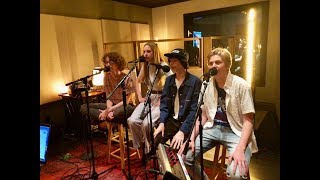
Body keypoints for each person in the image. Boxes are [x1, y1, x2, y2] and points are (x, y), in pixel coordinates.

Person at [184, 47, 258, 180]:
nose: (213, 66)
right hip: (213, 127)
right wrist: (191, 138)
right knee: (185, 157)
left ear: (228, 65)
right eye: (211, 63)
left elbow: (248, 121)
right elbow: (203, 116)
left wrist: (240, 149)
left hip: (236, 131)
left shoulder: (242, 86)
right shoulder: (207, 84)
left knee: (236, 175)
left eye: (218, 62)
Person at [153, 48, 202, 154]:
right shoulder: (169, 80)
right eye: (170, 61)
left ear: (183, 62)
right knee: (155, 141)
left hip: (186, 122)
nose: (171, 63)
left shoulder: (195, 82)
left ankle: (174, 169)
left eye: (174, 60)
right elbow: (164, 104)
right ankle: (162, 168)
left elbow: (194, 111)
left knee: (176, 150)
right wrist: (162, 123)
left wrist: (182, 131)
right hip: (171, 120)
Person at [127, 42, 172, 155]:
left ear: (154, 52)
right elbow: (138, 81)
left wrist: (164, 99)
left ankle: (151, 147)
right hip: (149, 97)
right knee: (132, 121)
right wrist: (139, 97)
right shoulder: (145, 66)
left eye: (148, 51)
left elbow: (173, 85)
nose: (145, 54)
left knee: (147, 124)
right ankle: (141, 145)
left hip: (161, 98)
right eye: (144, 52)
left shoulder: (163, 66)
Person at [80, 52, 136, 130]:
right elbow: (109, 97)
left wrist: (108, 110)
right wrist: (108, 110)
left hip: (125, 106)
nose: (108, 65)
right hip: (112, 106)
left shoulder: (127, 77)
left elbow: (126, 101)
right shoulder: (106, 77)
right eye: (106, 62)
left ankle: (106, 117)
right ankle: (106, 116)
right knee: (84, 107)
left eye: (111, 62)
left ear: (118, 63)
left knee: (120, 111)